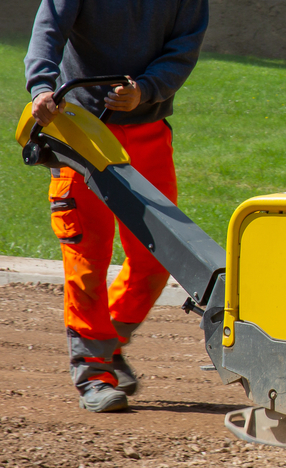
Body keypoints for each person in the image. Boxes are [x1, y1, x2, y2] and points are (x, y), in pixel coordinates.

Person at [24, 0, 209, 413]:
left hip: (147, 132)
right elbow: (49, 30)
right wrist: (41, 87)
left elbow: (183, 48)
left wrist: (146, 89)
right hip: (80, 130)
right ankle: (93, 371)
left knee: (159, 257)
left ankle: (107, 346)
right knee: (86, 256)